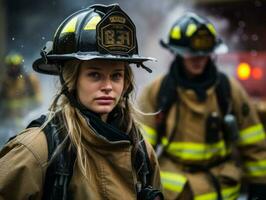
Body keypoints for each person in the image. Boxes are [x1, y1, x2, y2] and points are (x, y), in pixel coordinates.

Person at [0, 4, 163, 200]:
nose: (108, 86)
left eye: (116, 75)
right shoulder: (37, 150)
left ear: (126, 82)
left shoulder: (141, 151)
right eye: (95, 75)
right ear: (71, 80)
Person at [138, 13, 266, 200]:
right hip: (176, 192)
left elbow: (253, 143)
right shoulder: (159, 91)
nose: (198, 59)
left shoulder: (228, 90)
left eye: (204, 54)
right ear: (177, 53)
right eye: (191, 53)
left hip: (221, 190)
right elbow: (143, 148)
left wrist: (260, 184)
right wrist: (141, 184)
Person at [0, 52, 42, 147]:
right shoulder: (4, 82)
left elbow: (39, 101)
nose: (13, 69)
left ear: (20, 66)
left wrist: (28, 113)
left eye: (15, 66)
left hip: (26, 121)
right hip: (8, 123)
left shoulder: (29, 80)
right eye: (10, 66)